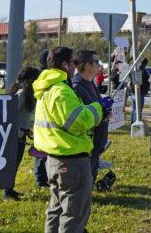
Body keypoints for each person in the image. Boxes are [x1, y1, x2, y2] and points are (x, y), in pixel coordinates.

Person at [33, 47, 112, 233]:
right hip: (71, 160)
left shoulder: (47, 87)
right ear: (64, 65)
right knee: (73, 215)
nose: (75, 67)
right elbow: (77, 121)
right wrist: (99, 108)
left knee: (56, 209)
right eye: (73, 63)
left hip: (55, 158)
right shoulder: (61, 90)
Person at [4, 66, 40, 200]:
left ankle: (10, 189)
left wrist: (26, 130)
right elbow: (8, 115)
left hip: (21, 134)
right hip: (15, 135)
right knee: (12, 163)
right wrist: (18, 130)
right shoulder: (22, 93)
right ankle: (7, 193)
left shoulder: (27, 94)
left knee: (16, 163)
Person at [71, 50, 108, 183]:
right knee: (84, 181)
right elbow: (82, 117)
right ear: (87, 66)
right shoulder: (76, 86)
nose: (100, 65)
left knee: (91, 175)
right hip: (86, 144)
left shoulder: (90, 82)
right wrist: (102, 112)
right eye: (97, 62)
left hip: (96, 142)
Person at [33, 49, 50, 188]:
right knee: (40, 153)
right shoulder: (42, 76)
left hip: (43, 119)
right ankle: (40, 178)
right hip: (41, 119)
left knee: (43, 152)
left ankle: (42, 177)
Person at [130, 57, 150, 125]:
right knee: (138, 110)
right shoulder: (144, 71)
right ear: (145, 64)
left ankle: (132, 123)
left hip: (132, 92)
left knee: (133, 109)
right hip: (139, 93)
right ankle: (136, 123)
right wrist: (145, 90)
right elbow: (147, 82)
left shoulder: (134, 68)